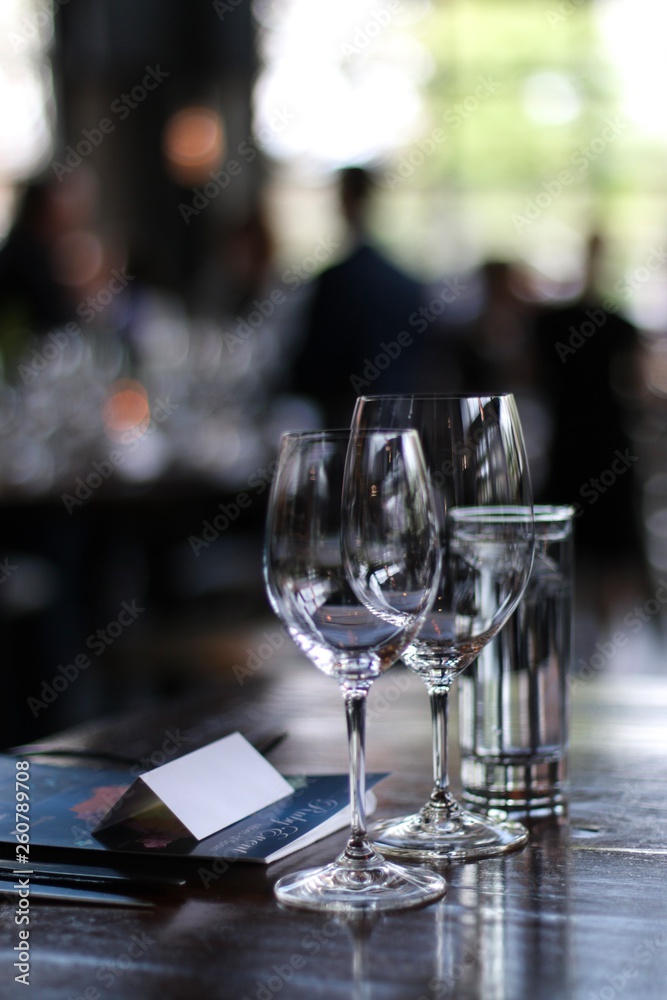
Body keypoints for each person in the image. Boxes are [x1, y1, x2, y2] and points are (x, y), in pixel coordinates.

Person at [291, 166, 427, 427]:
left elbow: (314, 363)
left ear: (344, 200)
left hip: (343, 422)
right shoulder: (405, 282)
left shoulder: (335, 281)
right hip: (401, 420)